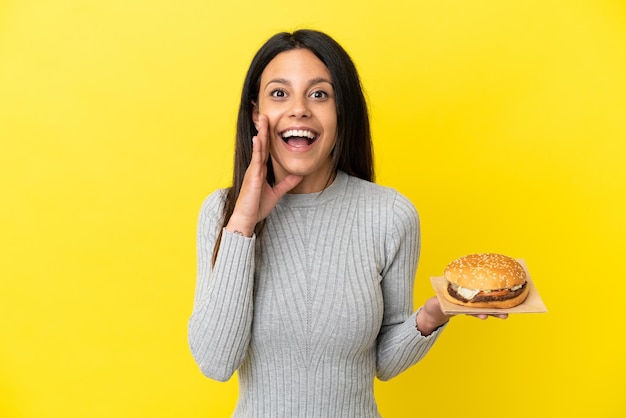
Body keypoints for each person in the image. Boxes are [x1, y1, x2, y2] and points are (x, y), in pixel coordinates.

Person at [188, 29, 505, 417]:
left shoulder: (390, 215)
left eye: (319, 94)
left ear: (342, 111)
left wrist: (435, 313)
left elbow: (383, 361)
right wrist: (243, 225)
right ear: (257, 113)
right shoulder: (221, 211)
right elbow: (216, 362)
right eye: (279, 93)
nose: (300, 109)